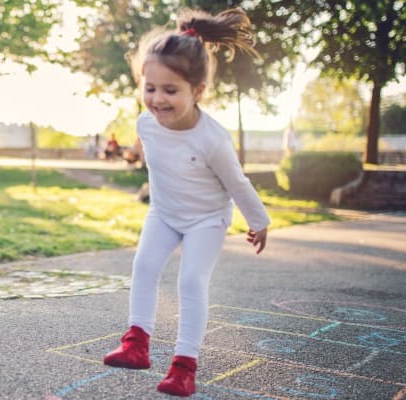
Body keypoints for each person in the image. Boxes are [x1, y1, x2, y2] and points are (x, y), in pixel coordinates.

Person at [101, 7, 270, 398]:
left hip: (206, 220)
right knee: (143, 265)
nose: (157, 100)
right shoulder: (146, 124)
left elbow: (237, 182)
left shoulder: (212, 138)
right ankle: (136, 346)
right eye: (150, 88)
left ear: (198, 91)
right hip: (164, 212)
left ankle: (183, 366)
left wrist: (259, 220)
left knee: (191, 280)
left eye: (170, 90)